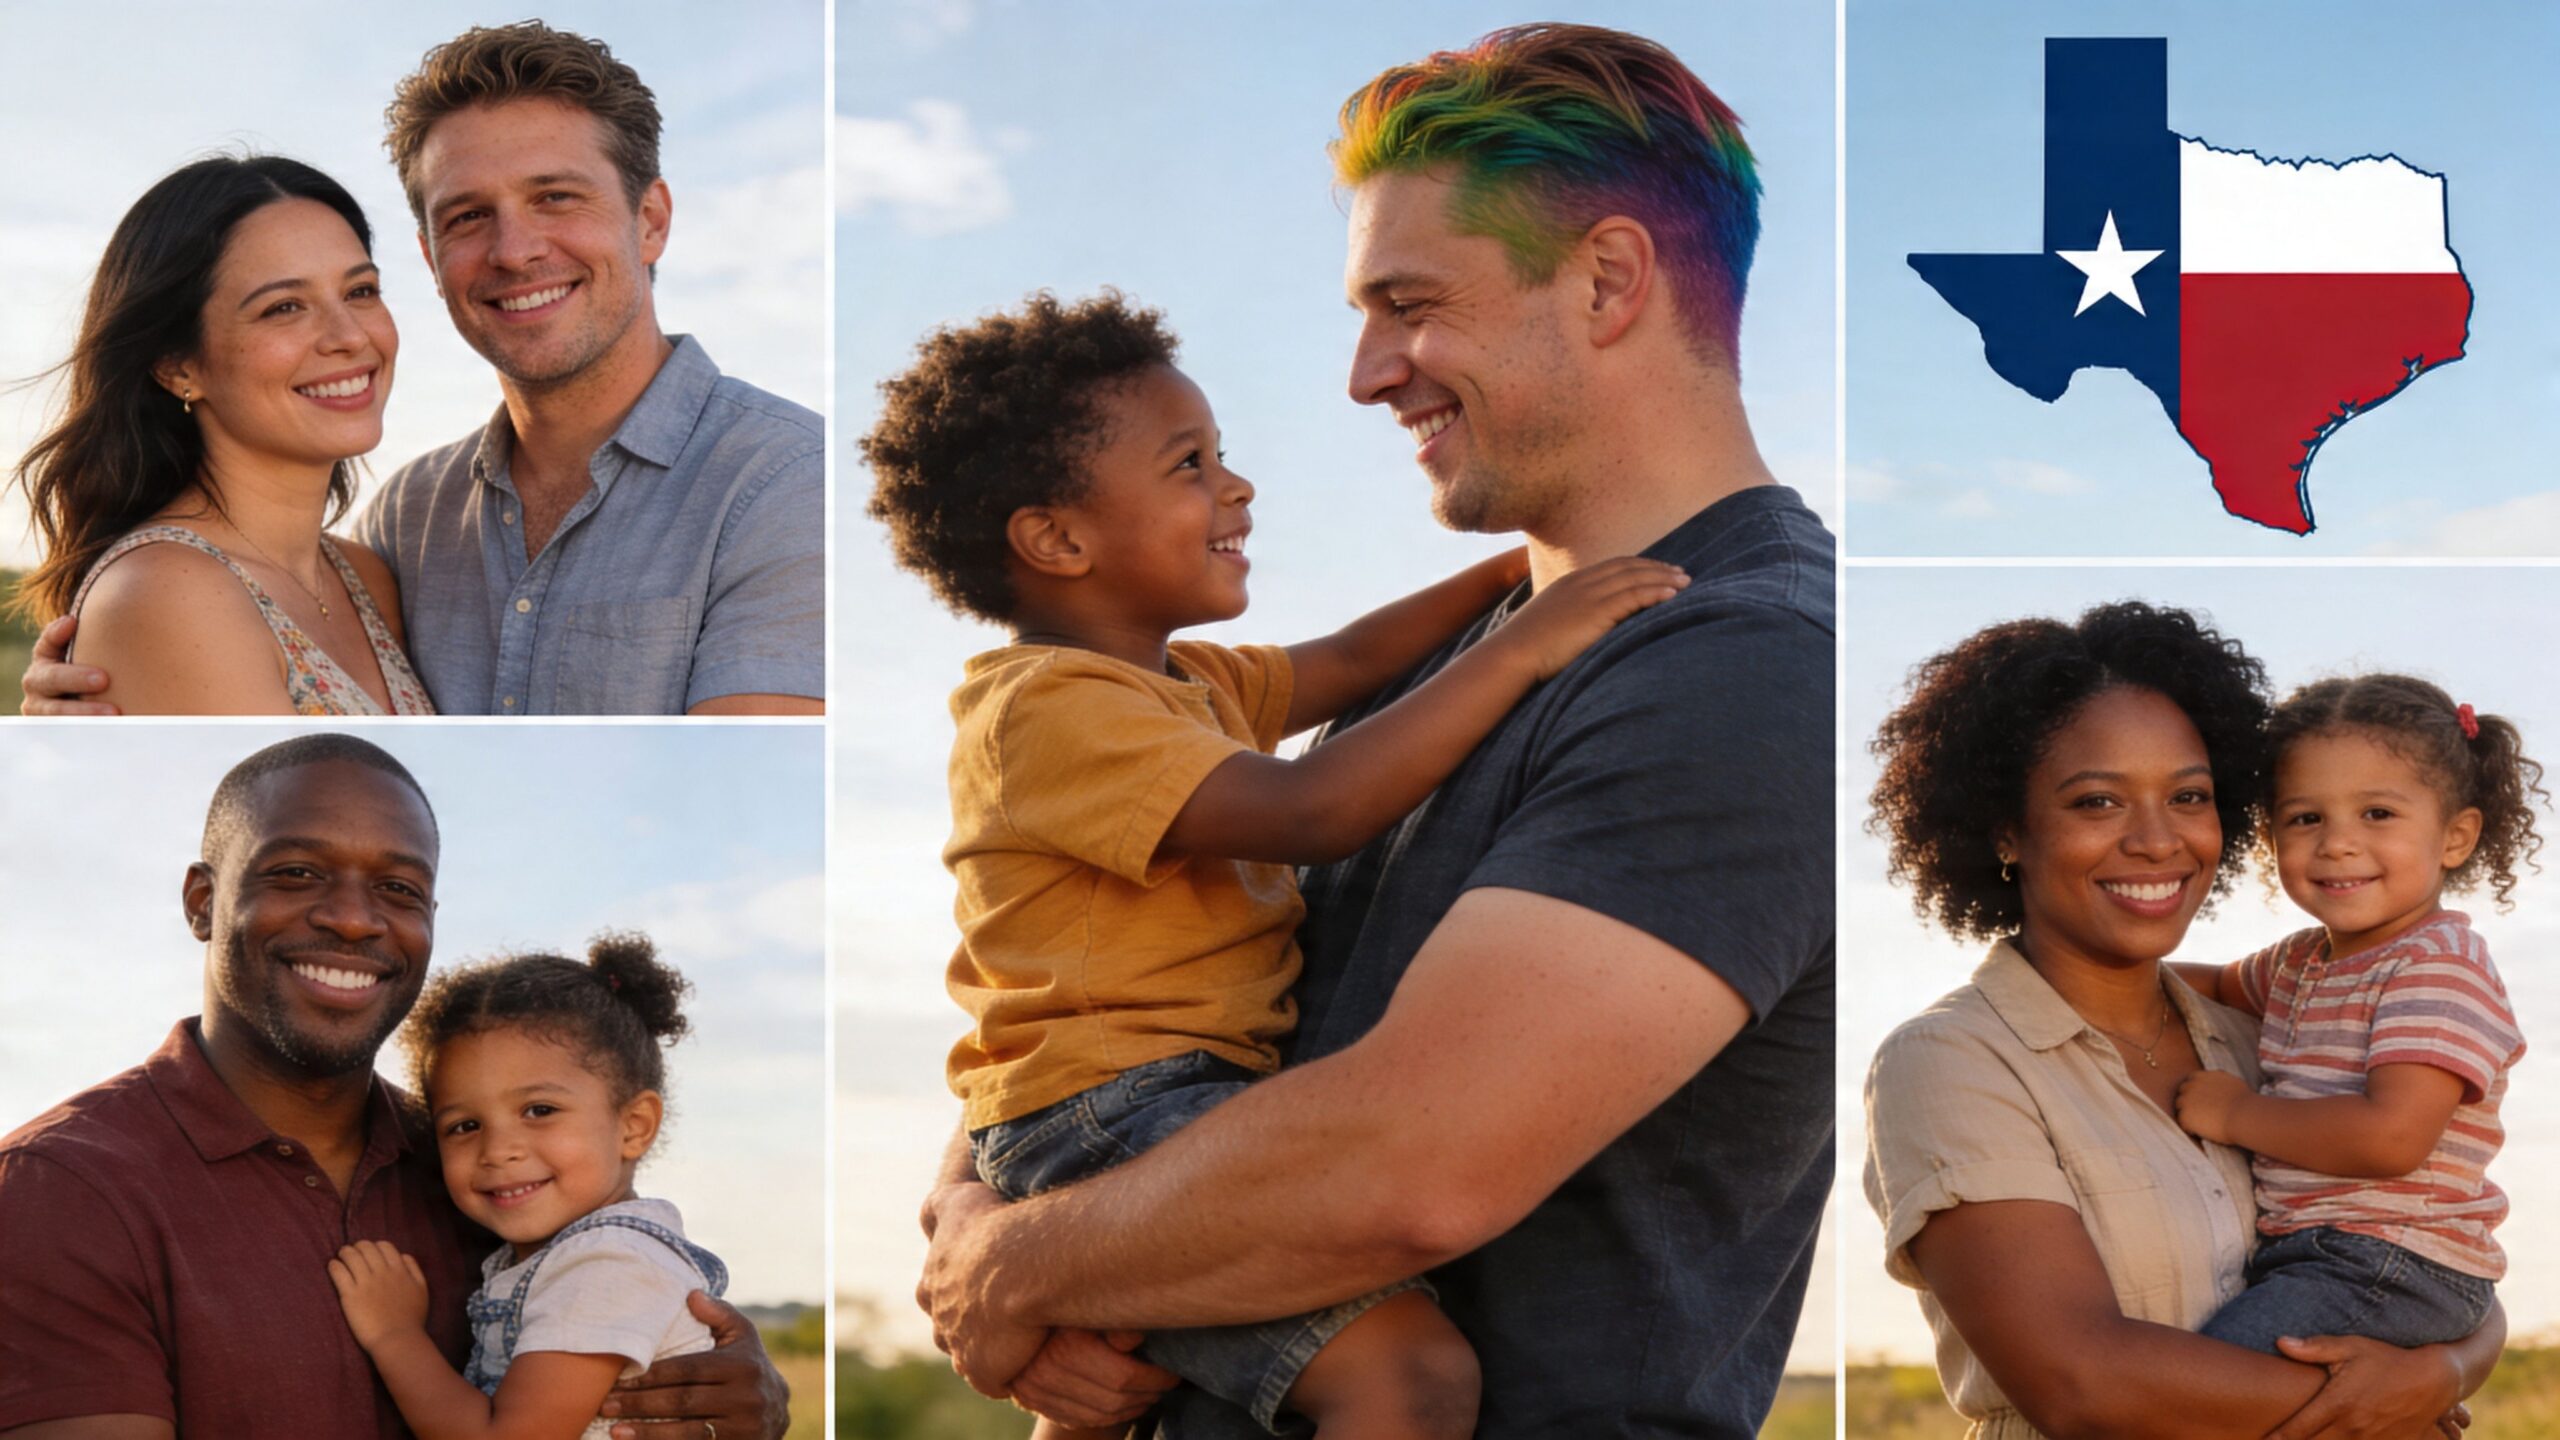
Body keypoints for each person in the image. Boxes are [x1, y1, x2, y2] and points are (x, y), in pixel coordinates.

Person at [914, 25, 1833, 1439]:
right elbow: (1111, 989)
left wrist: (1013, 1268)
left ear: (1607, 281)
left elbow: (1408, 1170)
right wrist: (978, 1206)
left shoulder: (1746, 665)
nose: (1363, 374)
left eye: (1407, 305)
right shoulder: (1470, 660)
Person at [864, 290, 1690, 1438]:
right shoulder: (1046, 711)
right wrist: (1530, 648)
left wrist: (1526, 572)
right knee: (1408, 1379)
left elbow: (1352, 656)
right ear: (1057, 540)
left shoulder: (1188, 683)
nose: (1236, 486)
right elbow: (1313, 808)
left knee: (1114, 1392)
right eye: (1189, 464)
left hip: (1156, 1098)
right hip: (1107, 1108)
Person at [22, 21, 822, 716]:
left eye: (554, 197)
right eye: (468, 216)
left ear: (650, 221)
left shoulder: (785, 483)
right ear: (432, 258)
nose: (514, 251)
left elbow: (743, 791)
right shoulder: (408, 521)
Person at [0, 734, 787, 1439]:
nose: (353, 919)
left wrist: (731, 1396)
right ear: (204, 901)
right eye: (297, 872)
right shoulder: (64, 1187)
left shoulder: (485, 1177)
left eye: (399, 889)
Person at [1862, 604, 2505, 1439]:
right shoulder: (1952, 1061)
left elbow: (2432, 1259)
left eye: (2189, 796)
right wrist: (2389, 1414)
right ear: (2007, 830)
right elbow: (2079, 1384)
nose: (2157, 840)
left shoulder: (2263, 1037)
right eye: (2097, 801)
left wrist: (2442, 1370)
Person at [2167, 676, 2536, 1355]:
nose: (2337, 843)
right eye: (2306, 818)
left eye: (2377, 813)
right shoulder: (2302, 960)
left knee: (2205, 1377)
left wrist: (2236, 1114)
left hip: (2396, 1261)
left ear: (2455, 837)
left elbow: (2391, 1138)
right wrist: (2108, 971)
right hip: (2323, 1253)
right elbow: (2213, 983)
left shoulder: (2437, 964)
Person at [7, 155, 434, 715]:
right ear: (176, 366)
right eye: (284, 307)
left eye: (360, 291)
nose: (350, 336)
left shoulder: (367, 578)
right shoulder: (167, 592)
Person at [334, 935, 730, 1440]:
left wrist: (394, 1334)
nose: (498, 1150)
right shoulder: (549, 1259)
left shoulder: (609, 1264)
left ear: (634, 1125)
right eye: (464, 1125)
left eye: (539, 1110)